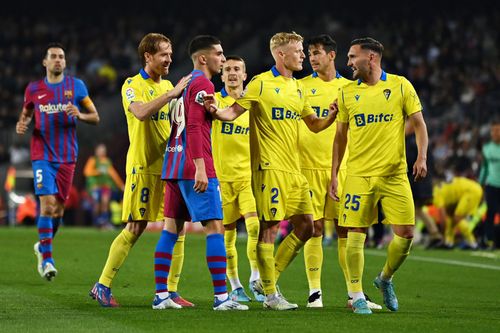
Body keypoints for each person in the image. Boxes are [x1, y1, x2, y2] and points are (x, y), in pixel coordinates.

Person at [206, 32, 338, 310]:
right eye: (299, 51)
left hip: (294, 169)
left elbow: (313, 124)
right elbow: (232, 113)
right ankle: (270, 295)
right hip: (269, 168)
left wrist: (332, 116)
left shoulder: (298, 88)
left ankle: (269, 278)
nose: (303, 55)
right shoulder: (260, 84)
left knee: (308, 227)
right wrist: (214, 110)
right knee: (269, 229)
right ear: (281, 54)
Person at [89, 33, 192, 307]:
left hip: (168, 167)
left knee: (177, 227)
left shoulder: (169, 84)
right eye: (163, 55)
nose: (169, 59)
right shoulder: (132, 85)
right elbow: (140, 112)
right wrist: (171, 94)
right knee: (136, 227)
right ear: (148, 56)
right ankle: (102, 285)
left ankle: (171, 291)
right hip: (143, 168)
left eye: (170, 54)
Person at [329, 37, 429, 314]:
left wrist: (421, 156)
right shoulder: (347, 92)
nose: (348, 63)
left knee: (406, 234)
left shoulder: (399, 85)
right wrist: (334, 174)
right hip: (359, 175)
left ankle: (385, 278)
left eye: (352, 57)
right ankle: (357, 294)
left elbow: (419, 124)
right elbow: (340, 137)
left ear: (370, 58)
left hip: (394, 174)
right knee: (355, 233)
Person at [155, 35, 248, 311]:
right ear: (203, 58)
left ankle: (161, 295)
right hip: (193, 165)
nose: (223, 58)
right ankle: (222, 297)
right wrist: (199, 167)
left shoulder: (185, 83)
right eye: (219, 54)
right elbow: (195, 127)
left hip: (173, 164)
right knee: (214, 228)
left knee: (171, 229)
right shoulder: (203, 83)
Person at [16, 43, 100, 281]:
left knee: (59, 211)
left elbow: (95, 117)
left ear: (65, 62)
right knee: (48, 205)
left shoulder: (76, 86)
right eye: (53, 57)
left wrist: (79, 115)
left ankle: (42, 245)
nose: (57, 60)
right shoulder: (33, 89)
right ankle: (48, 259)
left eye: (61, 57)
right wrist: (22, 123)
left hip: (67, 158)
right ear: (45, 62)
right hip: (42, 154)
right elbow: (27, 112)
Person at [298, 34, 350, 308]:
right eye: (309, 53)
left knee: (346, 230)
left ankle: (355, 293)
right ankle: (314, 292)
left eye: (317, 52)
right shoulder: (301, 86)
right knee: (315, 228)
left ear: (332, 55)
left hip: (342, 169)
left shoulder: (350, 88)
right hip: (307, 167)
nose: (312, 57)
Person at [211, 55, 264, 302]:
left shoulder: (252, 104)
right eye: (227, 69)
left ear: (245, 76)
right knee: (228, 235)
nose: (232, 73)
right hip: (222, 179)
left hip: (247, 177)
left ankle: (255, 277)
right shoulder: (214, 102)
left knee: (255, 226)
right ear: (221, 75)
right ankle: (235, 285)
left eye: (237, 69)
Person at [405, 123, 443, 248]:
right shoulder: (418, 138)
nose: (404, 127)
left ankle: (414, 236)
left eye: (406, 123)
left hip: (419, 180)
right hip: (421, 180)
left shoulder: (413, 141)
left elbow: (410, 161)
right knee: (416, 210)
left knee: (414, 209)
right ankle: (433, 234)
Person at [433, 176, 482, 249]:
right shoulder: (440, 188)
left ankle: (473, 244)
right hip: (471, 188)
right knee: (451, 215)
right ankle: (449, 242)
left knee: (457, 217)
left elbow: (442, 217)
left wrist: (442, 234)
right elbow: (448, 212)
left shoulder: (436, 194)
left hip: (471, 191)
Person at [83, 143, 125, 228]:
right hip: (95, 186)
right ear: (96, 151)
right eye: (100, 150)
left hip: (105, 186)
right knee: (97, 204)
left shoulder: (107, 161)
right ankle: (96, 222)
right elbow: (86, 172)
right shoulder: (93, 160)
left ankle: (104, 221)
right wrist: (97, 171)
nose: (102, 152)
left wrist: (121, 185)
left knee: (105, 202)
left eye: (103, 150)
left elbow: (113, 174)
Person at [479, 118, 500, 249]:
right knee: (491, 212)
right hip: (491, 185)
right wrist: (480, 184)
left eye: (498, 130)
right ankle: (489, 240)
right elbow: (484, 168)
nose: (496, 133)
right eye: (494, 130)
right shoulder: (486, 148)